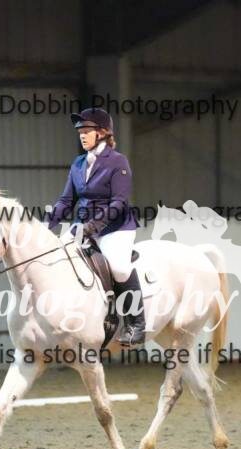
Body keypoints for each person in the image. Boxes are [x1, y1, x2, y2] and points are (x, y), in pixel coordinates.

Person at [45, 107, 146, 346]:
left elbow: (119, 202)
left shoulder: (118, 161)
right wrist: (44, 226)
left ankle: (136, 324)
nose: (81, 135)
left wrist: (92, 227)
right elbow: (66, 201)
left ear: (101, 133)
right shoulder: (78, 163)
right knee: (58, 257)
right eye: (80, 131)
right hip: (82, 226)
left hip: (115, 227)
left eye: (86, 131)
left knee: (119, 268)